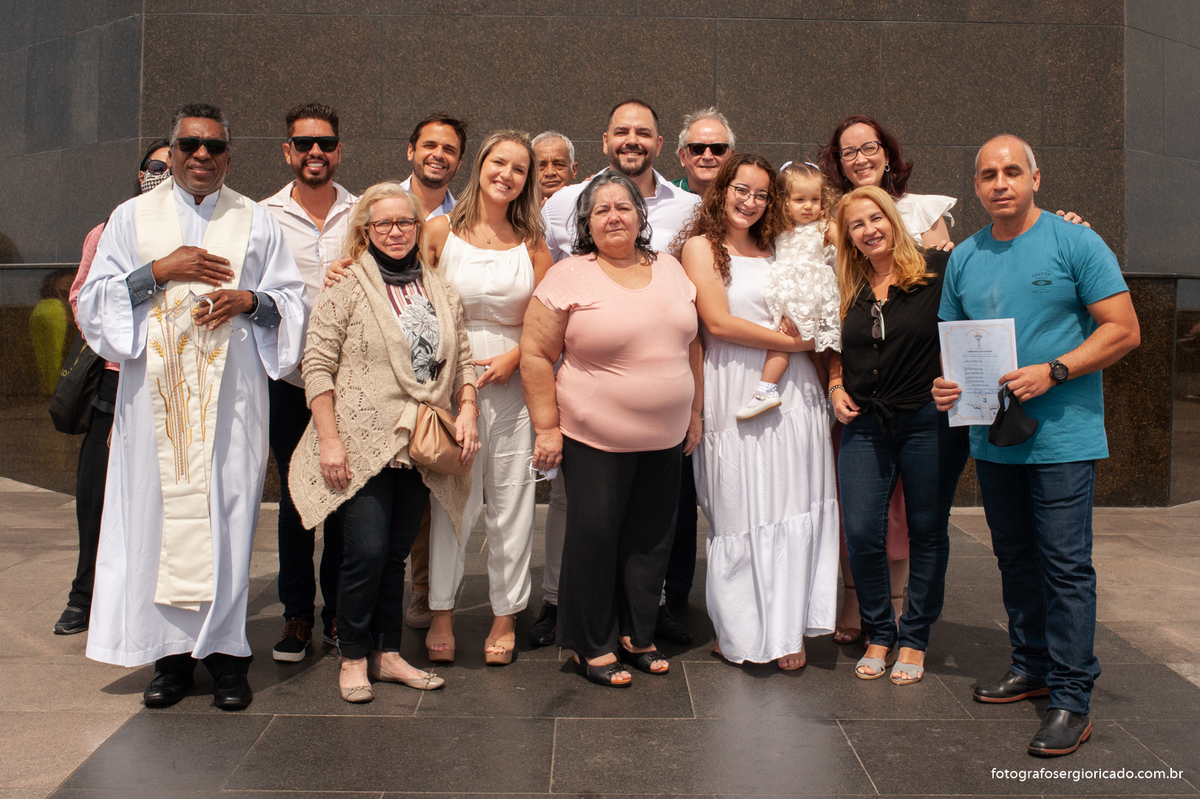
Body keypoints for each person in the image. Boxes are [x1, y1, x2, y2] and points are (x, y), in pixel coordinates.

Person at [77, 103, 309, 710]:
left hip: (232, 399)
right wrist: (160, 270)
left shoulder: (255, 220)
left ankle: (228, 658)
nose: (201, 156)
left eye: (214, 147)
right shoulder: (131, 219)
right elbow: (94, 301)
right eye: (190, 145)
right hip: (154, 407)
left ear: (229, 156)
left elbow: (290, 299)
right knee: (158, 521)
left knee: (229, 519)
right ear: (173, 151)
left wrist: (249, 302)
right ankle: (171, 659)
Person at [934, 135, 1139, 756]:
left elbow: (1124, 330)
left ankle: (1072, 698)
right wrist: (947, 386)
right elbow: (955, 339)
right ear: (976, 185)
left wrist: (1055, 370)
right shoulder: (966, 257)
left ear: (1035, 178)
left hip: (1063, 440)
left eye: (1012, 172)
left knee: (1065, 567)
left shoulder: (1075, 242)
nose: (1001, 183)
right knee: (1016, 559)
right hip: (992, 439)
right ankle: (1032, 667)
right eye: (989, 174)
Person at [288, 181, 480, 702]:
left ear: (419, 228)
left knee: (394, 554)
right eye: (384, 224)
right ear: (365, 231)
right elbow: (318, 366)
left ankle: (388, 654)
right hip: (361, 443)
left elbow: (461, 357)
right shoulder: (347, 285)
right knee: (364, 553)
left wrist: (467, 410)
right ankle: (352, 656)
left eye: (405, 223)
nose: (396, 232)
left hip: (419, 445)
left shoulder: (439, 288)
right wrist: (330, 442)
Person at [521, 172, 701, 686]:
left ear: (642, 218)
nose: (614, 217)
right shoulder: (570, 275)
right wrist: (547, 428)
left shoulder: (670, 268)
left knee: (650, 542)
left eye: (624, 207)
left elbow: (692, 345)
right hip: (594, 438)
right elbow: (535, 354)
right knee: (594, 539)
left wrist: (694, 411)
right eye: (601, 211)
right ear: (586, 224)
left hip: (665, 437)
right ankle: (589, 644)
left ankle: (636, 635)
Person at [680, 154, 837, 671]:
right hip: (732, 386)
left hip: (795, 394)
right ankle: (740, 629)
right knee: (738, 509)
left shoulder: (782, 245)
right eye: (741, 190)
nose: (750, 201)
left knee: (793, 504)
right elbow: (717, 324)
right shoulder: (701, 247)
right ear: (722, 189)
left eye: (762, 194)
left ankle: (788, 629)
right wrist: (791, 343)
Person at [827, 185, 970, 685]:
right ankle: (879, 631)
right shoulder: (847, 282)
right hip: (865, 423)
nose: (869, 231)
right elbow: (833, 344)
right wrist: (836, 381)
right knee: (862, 531)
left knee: (927, 530)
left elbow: (977, 326)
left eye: (875, 218)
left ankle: (914, 638)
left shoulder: (938, 268)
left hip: (928, 421)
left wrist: (962, 381)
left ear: (893, 218)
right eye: (856, 225)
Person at [423, 131, 553, 665]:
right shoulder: (438, 230)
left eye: (519, 168)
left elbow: (547, 326)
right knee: (452, 501)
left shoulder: (534, 244)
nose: (507, 174)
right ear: (479, 166)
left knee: (511, 499)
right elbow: (413, 300)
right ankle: (441, 610)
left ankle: (506, 613)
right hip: (450, 378)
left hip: (515, 381)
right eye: (499, 162)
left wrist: (515, 358)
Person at [54, 139, 172, 637]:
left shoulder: (205, 231)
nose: (161, 173)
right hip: (116, 380)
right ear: (140, 170)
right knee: (97, 494)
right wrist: (125, 335)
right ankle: (83, 595)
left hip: (175, 386)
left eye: (172, 164)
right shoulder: (109, 230)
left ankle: (153, 599)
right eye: (154, 165)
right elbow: (82, 297)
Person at [260, 103, 355, 661]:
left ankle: (339, 614)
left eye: (326, 143)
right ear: (288, 151)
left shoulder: (361, 209)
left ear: (338, 149)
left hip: (351, 382)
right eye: (304, 143)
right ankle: (297, 615)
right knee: (297, 502)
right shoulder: (261, 215)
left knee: (344, 497)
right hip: (287, 378)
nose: (315, 152)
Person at [737, 161, 840, 420]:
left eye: (815, 199)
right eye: (800, 199)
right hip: (790, 300)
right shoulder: (778, 232)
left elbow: (851, 253)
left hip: (815, 298)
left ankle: (771, 389)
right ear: (784, 202)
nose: (809, 206)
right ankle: (770, 388)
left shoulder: (825, 227)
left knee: (818, 354)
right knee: (789, 343)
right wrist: (784, 310)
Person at [674, 107, 736, 197]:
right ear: (683, 156)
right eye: (697, 149)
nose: (707, 156)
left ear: (730, 157)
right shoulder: (663, 197)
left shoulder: (744, 200)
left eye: (718, 149)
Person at [532, 131, 578, 207]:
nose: (550, 172)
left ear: (573, 170)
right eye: (541, 166)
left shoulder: (589, 213)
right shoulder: (515, 215)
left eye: (559, 165)